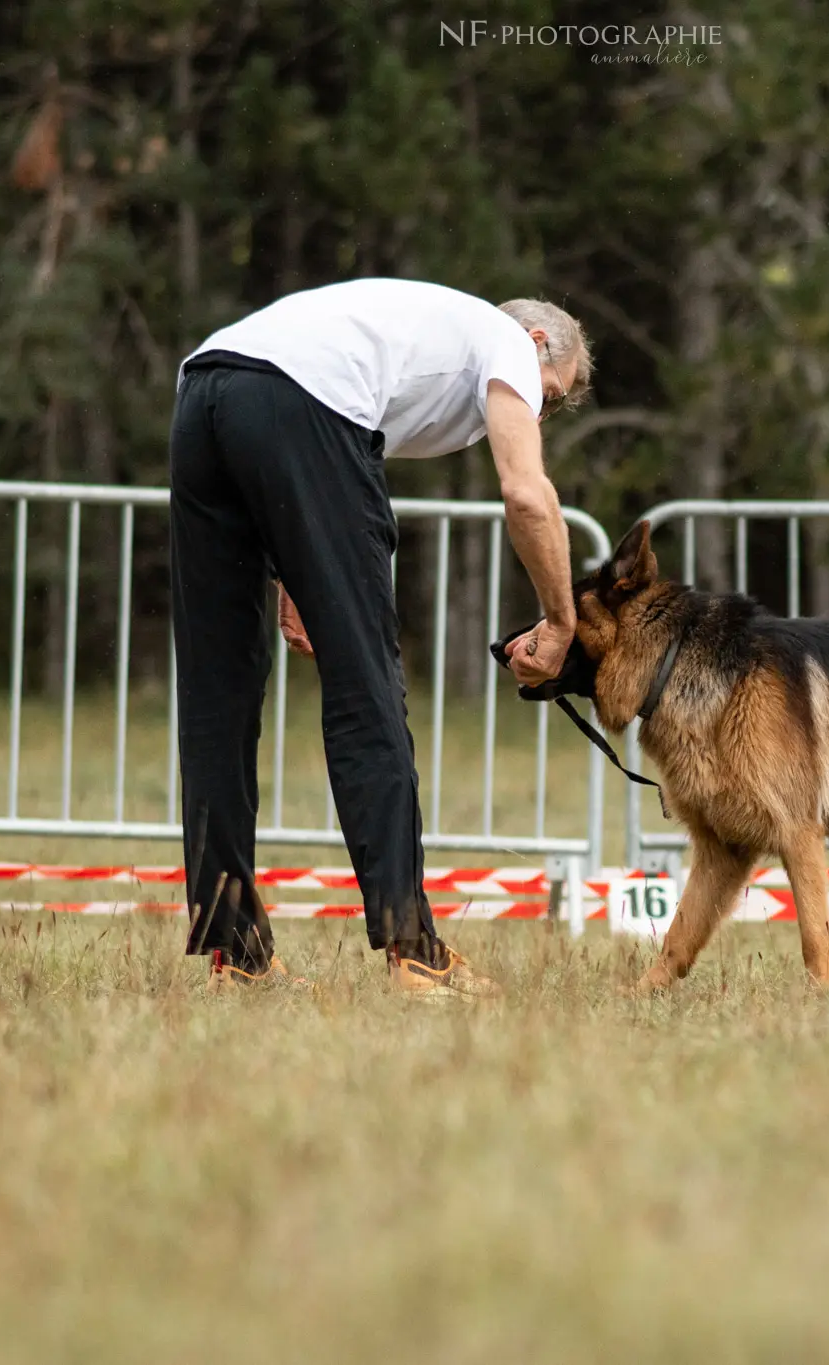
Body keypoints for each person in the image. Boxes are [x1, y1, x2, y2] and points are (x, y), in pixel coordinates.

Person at [168, 278, 589, 999]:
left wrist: (299, 577)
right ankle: (413, 949)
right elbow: (527, 493)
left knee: (218, 696)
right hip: (298, 399)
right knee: (368, 690)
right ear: (539, 344)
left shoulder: (414, 331)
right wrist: (561, 619)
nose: (538, 411)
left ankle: (234, 954)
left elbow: (298, 454)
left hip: (205, 386)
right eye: (550, 396)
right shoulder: (506, 344)